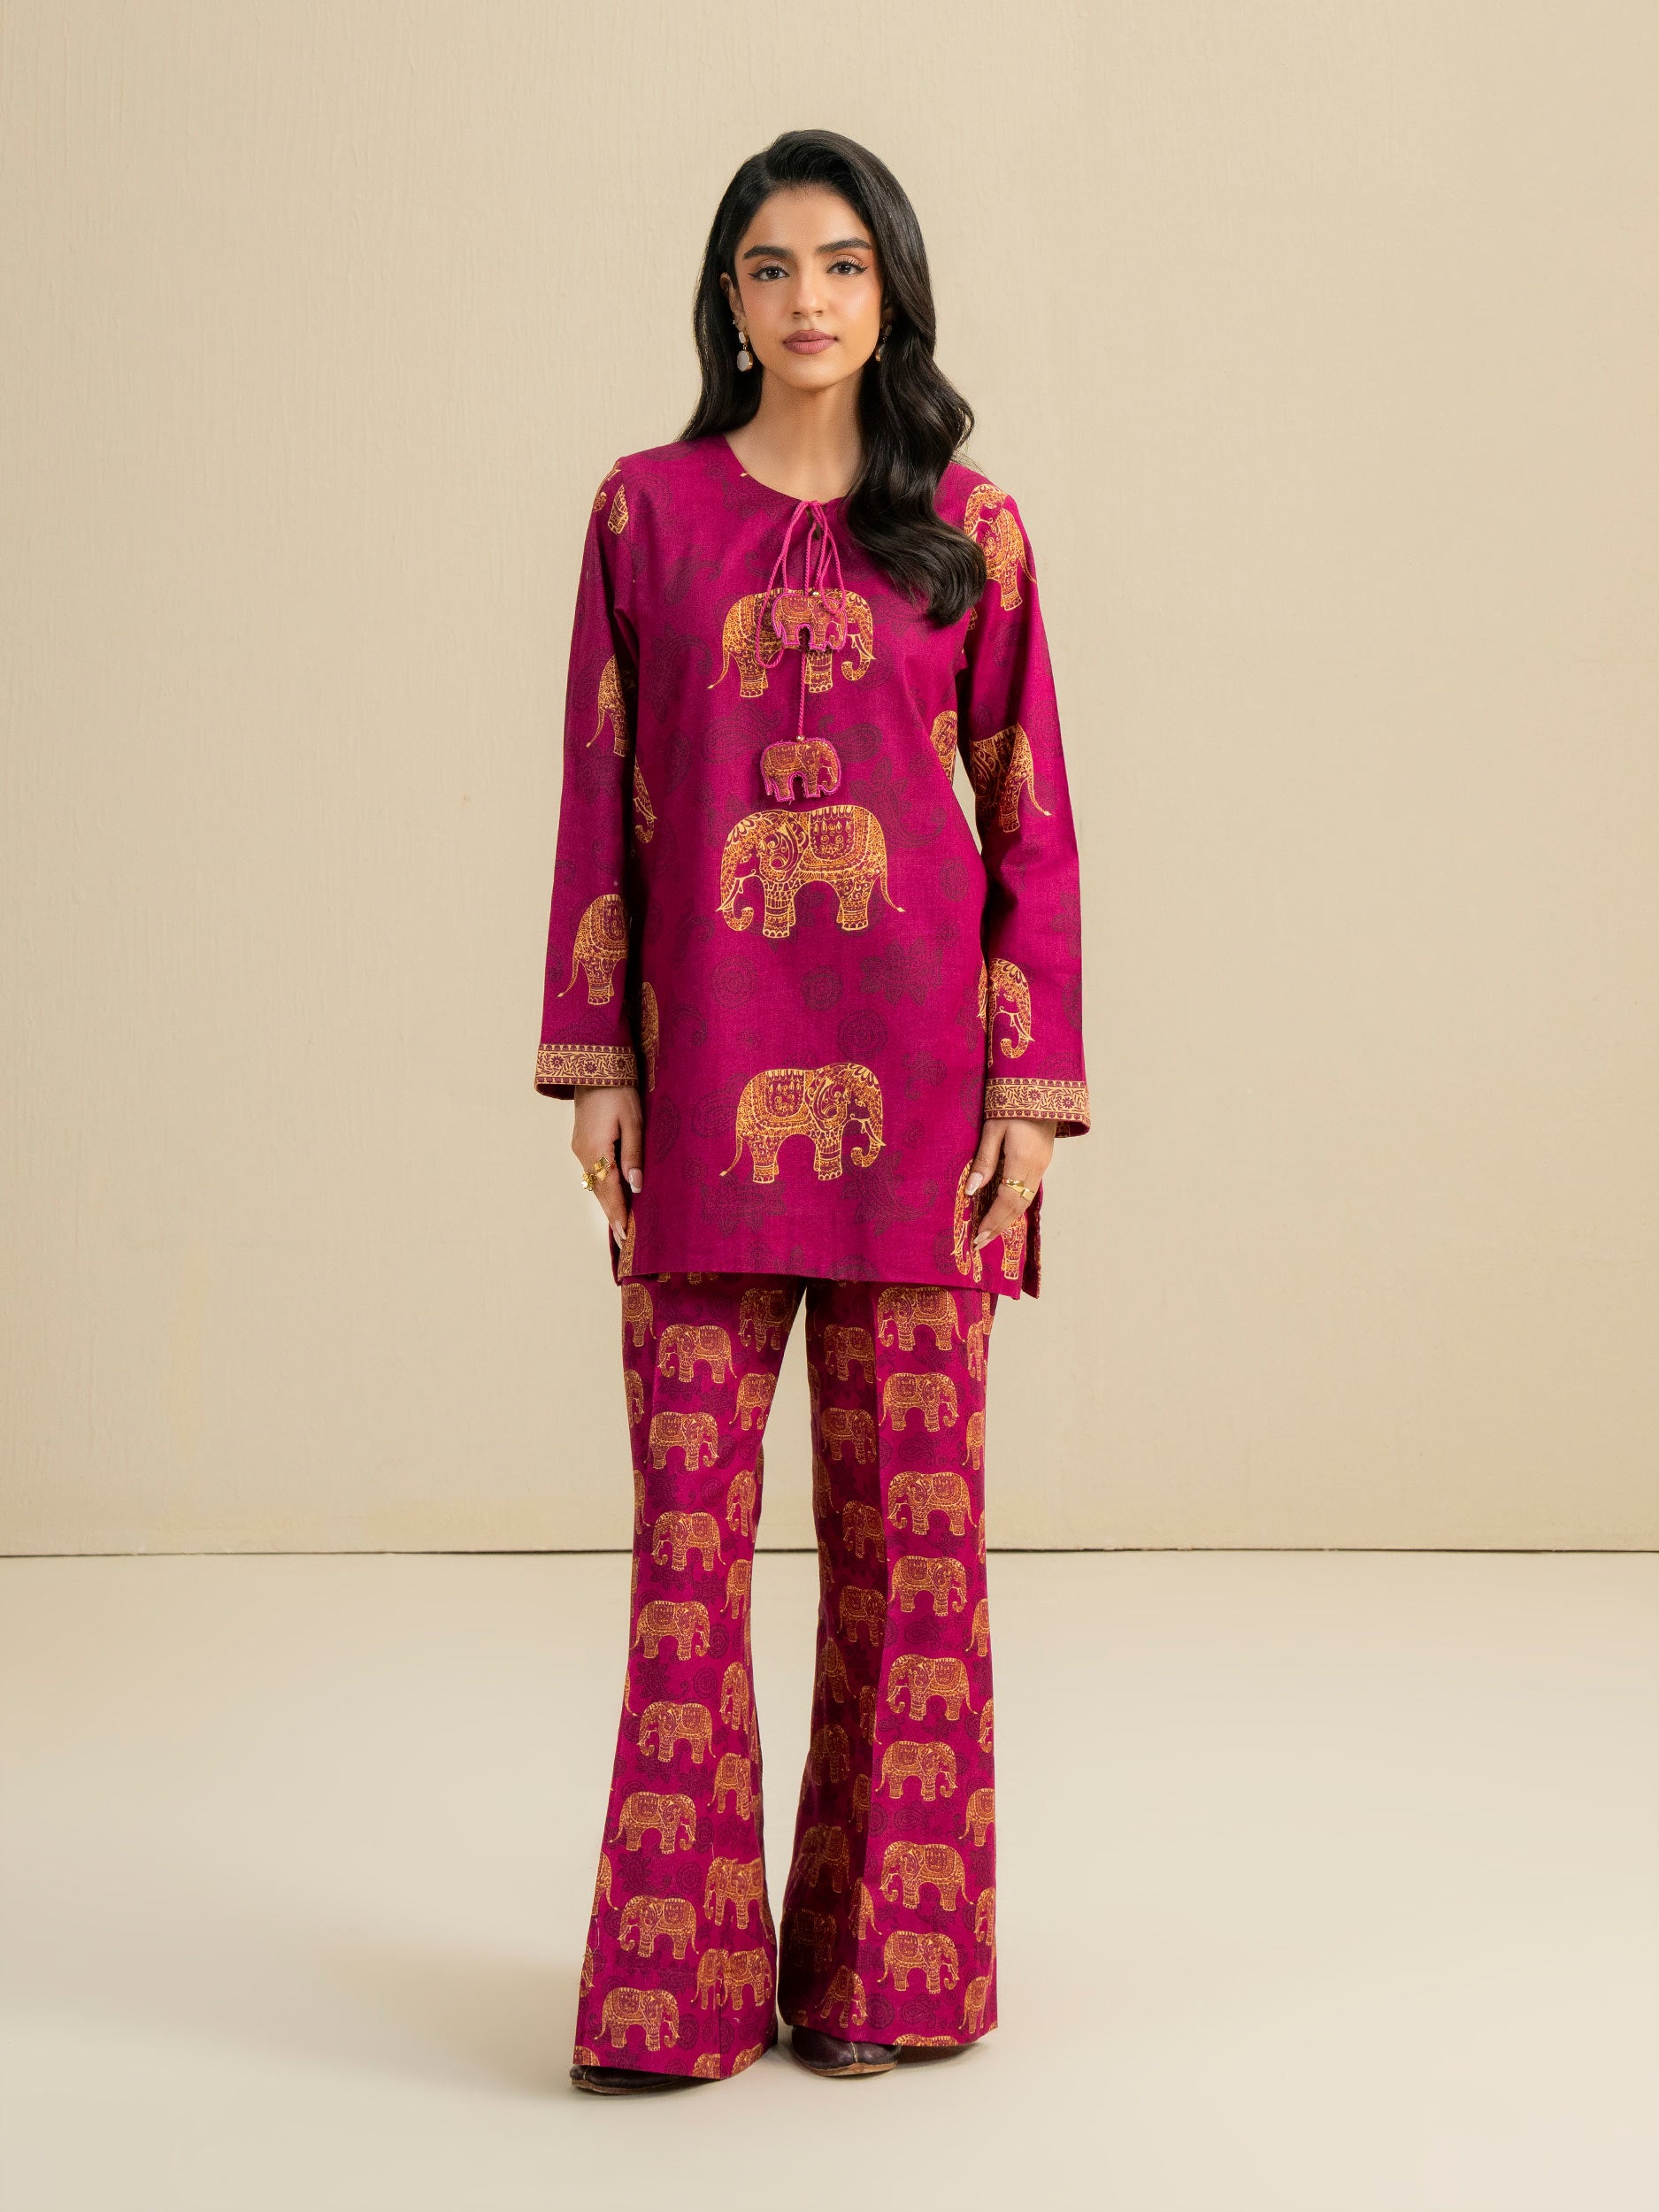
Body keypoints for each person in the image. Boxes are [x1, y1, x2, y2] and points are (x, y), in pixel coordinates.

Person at [535, 128, 1090, 2093]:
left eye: (842, 265)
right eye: (769, 268)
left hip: (925, 1106)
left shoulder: (969, 528)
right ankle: (670, 1992)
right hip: (703, 1095)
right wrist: (599, 1059)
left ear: (891, 292)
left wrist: (1029, 1100)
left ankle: (886, 1974)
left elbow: (1030, 817)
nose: (806, 300)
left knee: (913, 1557)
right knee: (684, 1552)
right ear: (727, 300)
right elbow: (598, 798)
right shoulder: (644, 516)